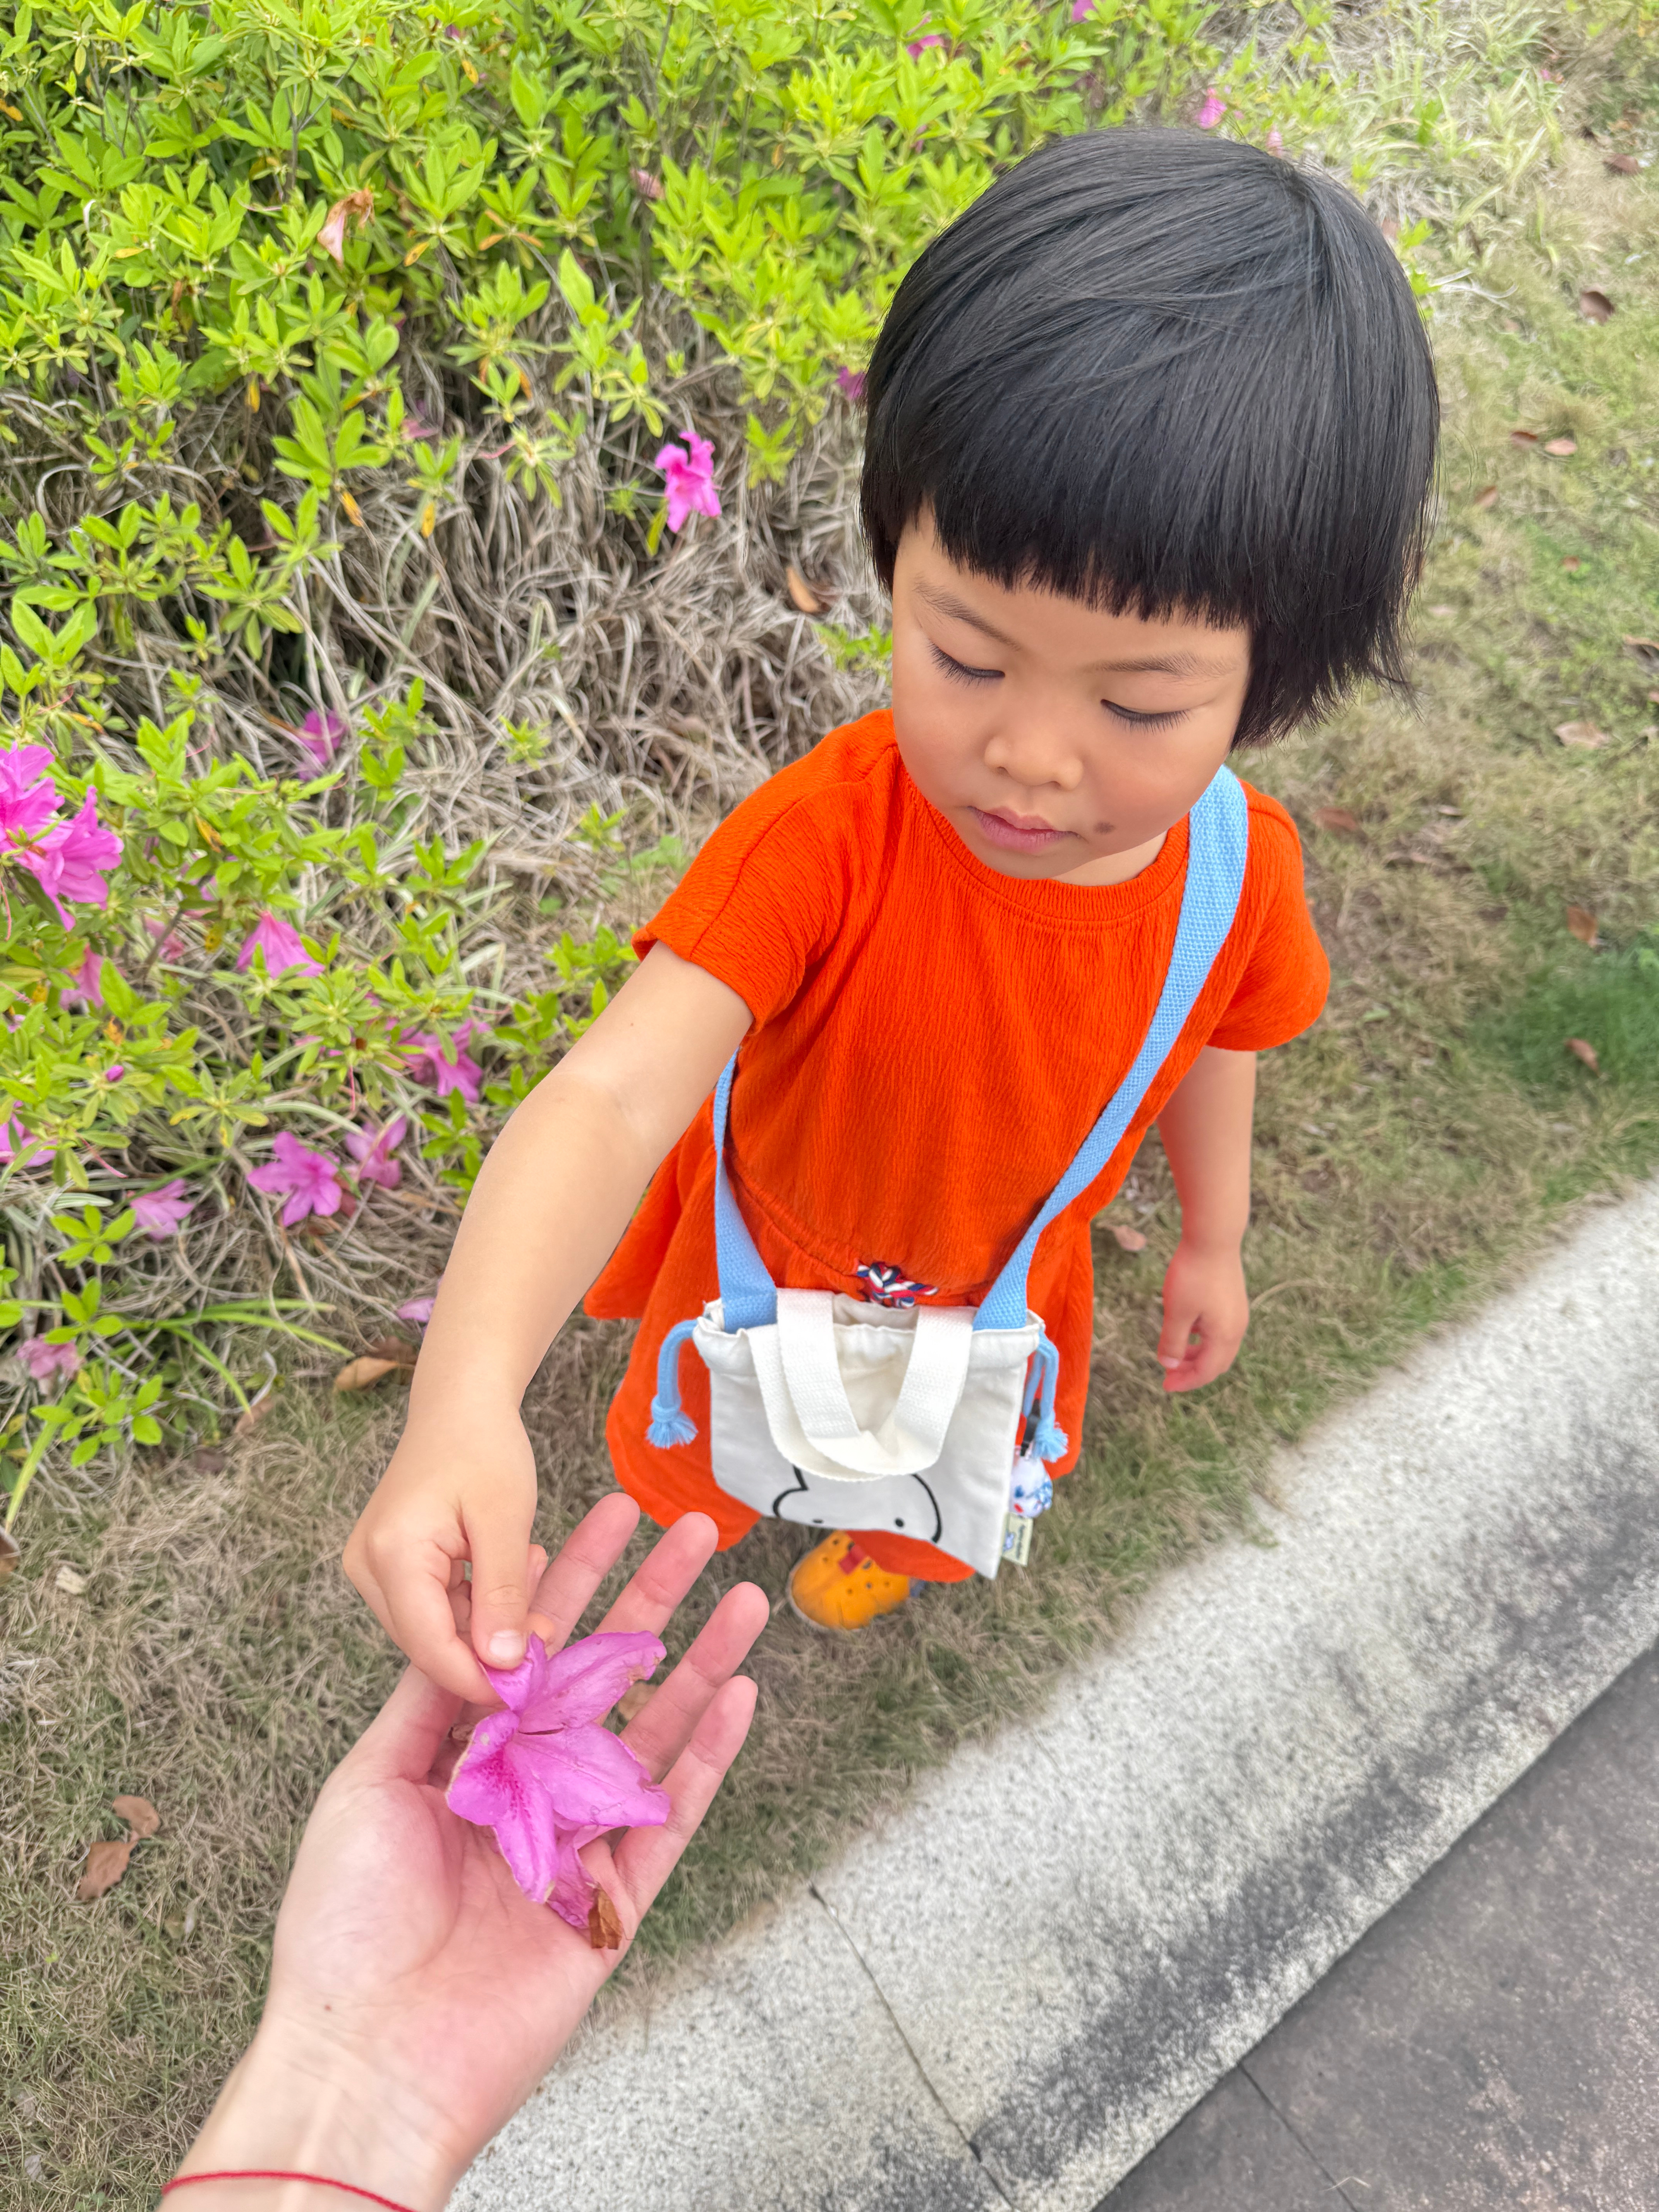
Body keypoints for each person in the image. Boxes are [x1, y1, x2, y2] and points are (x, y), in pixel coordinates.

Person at [345, 125, 1436, 1681]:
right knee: (712, 1466)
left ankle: (879, 1545)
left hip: (996, 1287)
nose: (1030, 758)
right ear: (893, 553)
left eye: (1141, 707)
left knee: (932, 1470)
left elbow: (1214, 1040)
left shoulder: (1236, 872)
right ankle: (717, 1531)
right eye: (968, 656)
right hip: (763, 1264)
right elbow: (609, 1097)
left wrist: (1217, 1235)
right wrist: (460, 1404)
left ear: (1276, 681)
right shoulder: (833, 838)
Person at [166, 1498, 768, 2212]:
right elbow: (505, 1781)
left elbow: (581, 1755)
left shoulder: (516, 1752)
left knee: (630, 1794)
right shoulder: (491, 1764)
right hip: (511, 1759)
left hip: (526, 1754)